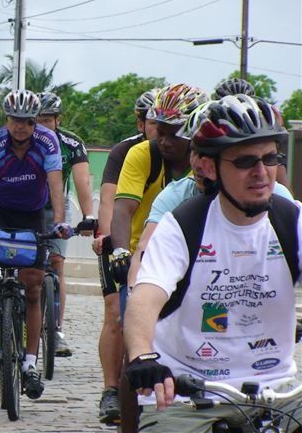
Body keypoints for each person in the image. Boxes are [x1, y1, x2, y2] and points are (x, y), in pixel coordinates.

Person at [123, 97, 302, 432]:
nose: (262, 172)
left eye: (270, 158)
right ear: (208, 167)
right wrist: (143, 357)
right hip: (189, 395)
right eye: (246, 161)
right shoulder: (183, 225)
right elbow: (145, 298)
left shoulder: (292, 220)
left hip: (278, 392)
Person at [0, 89, 73, 401]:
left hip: (33, 213)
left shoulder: (47, 142)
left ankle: (30, 364)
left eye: (27, 122)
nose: (20, 127)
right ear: (6, 119)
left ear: (35, 122)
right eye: (14, 120)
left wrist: (59, 221)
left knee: (34, 287)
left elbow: (55, 182)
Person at [110, 83, 209, 432]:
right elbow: (123, 213)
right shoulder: (154, 168)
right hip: (151, 258)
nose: (164, 141)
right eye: (159, 132)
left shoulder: (269, 194)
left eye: (173, 134)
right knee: (130, 340)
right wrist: (124, 257)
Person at [128, 96, 295, 285]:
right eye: (195, 153)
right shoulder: (176, 197)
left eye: (269, 159)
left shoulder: (283, 205)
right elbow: (146, 251)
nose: (200, 165)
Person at [93, 87, 160, 425]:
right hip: (125, 243)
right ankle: (110, 390)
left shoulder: (190, 152)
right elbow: (110, 200)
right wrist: (106, 238)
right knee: (117, 315)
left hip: (163, 251)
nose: (160, 129)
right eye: (153, 122)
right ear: (141, 122)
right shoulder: (126, 152)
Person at [36, 91, 94, 357]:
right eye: (39, 120)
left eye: (48, 120)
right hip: (25, 208)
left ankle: (56, 329)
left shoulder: (72, 143)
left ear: (58, 120)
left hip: (57, 208)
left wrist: (89, 215)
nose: (43, 125)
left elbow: (83, 181)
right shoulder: (25, 140)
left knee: (57, 264)